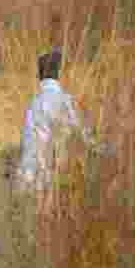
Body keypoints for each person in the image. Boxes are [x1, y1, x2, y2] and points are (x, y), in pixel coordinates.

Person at [15, 48, 91, 213]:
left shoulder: (33, 103)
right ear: (58, 74)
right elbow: (81, 137)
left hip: (25, 179)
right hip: (48, 185)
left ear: (40, 75)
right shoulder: (65, 101)